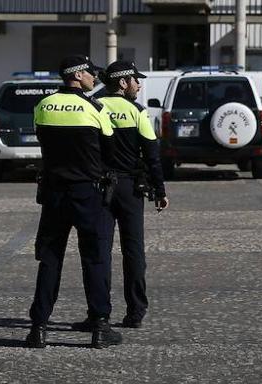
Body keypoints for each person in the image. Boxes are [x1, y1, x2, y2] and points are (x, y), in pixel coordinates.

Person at [26, 55, 122, 349]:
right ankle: (100, 326)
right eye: (91, 73)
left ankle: (38, 328)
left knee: (50, 259)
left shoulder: (43, 106)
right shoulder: (95, 108)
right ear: (78, 76)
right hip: (87, 193)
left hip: (54, 192)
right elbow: (111, 151)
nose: (95, 78)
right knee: (94, 257)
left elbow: (43, 140)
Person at [73, 61, 169, 331]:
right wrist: (160, 190)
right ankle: (136, 312)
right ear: (123, 82)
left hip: (99, 188)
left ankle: (98, 315)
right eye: (135, 81)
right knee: (134, 250)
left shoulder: (92, 105)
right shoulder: (137, 111)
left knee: (98, 252)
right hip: (130, 189)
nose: (139, 85)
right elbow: (152, 156)